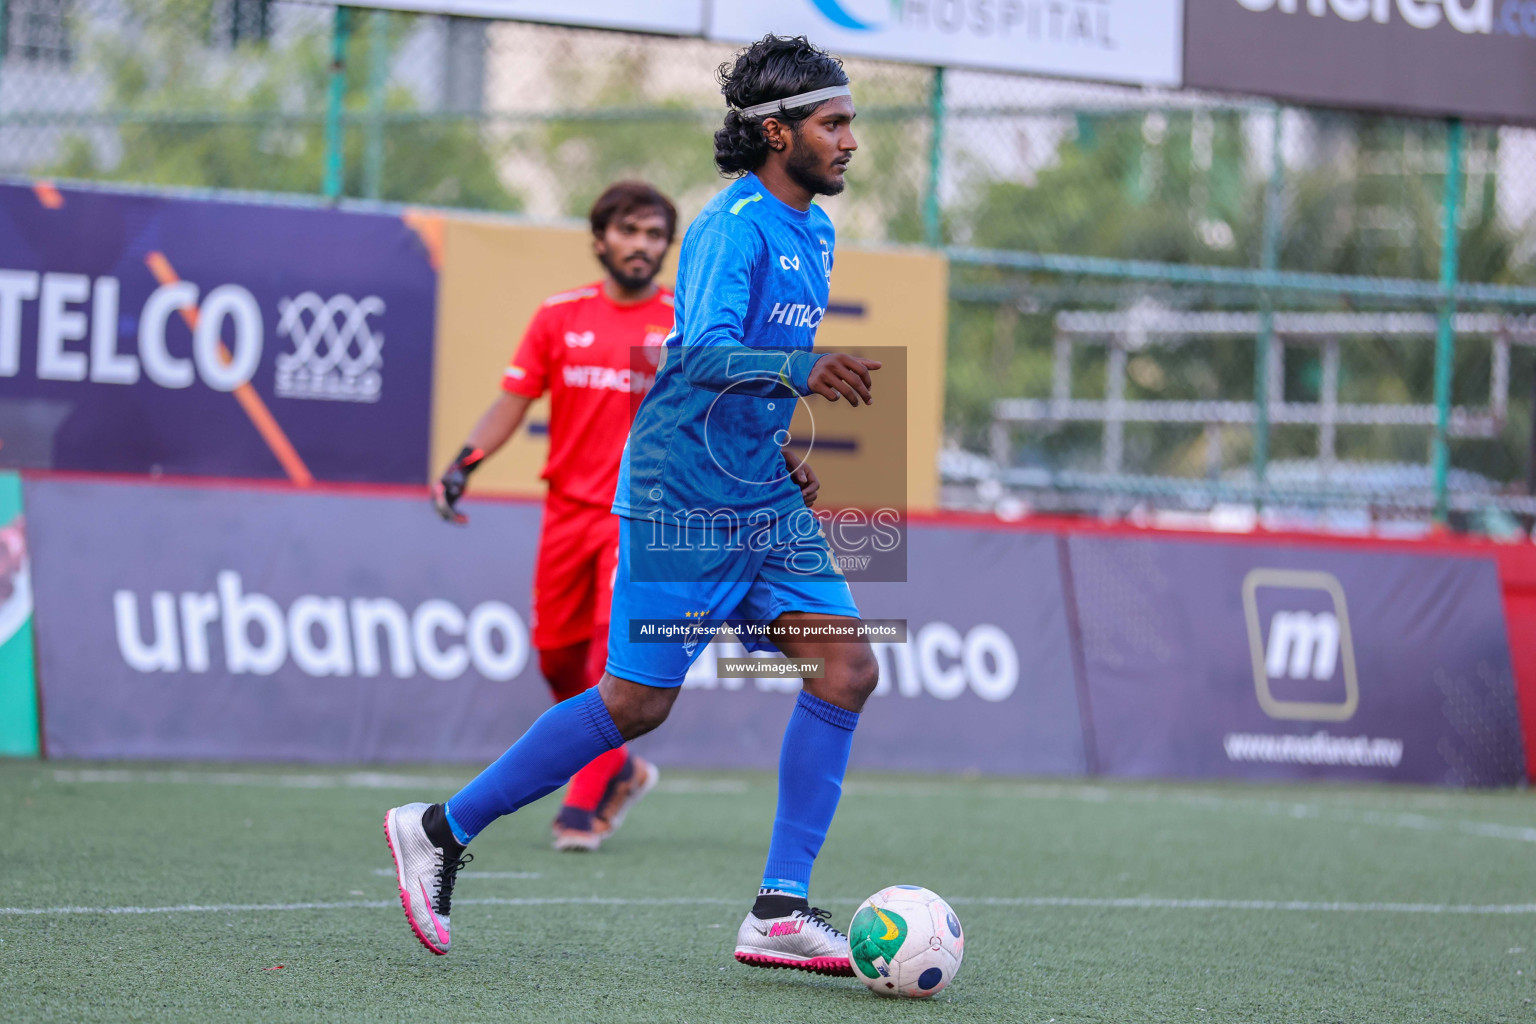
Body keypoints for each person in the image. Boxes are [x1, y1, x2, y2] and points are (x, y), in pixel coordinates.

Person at [387, 34, 882, 976]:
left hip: (757, 493)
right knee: (635, 704)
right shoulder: (731, 226)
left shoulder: (814, 227)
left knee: (849, 667)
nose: (851, 139)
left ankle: (778, 910)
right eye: (835, 122)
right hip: (680, 495)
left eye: (850, 120)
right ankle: (439, 829)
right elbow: (696, 356)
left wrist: (778, 443)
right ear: (777, 133)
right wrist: (802, 369)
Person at [429, 181, 678, 852]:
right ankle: (620, 767)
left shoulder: (683, 322)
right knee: (557, 657)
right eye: (630, 231)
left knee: (608, 660)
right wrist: (464, 462)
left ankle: (583, 807)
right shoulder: (559, 316)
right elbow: (513, 399)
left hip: (640, 521)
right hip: (566, 513)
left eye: (656, 236)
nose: (643, 246)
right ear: (600, 239)